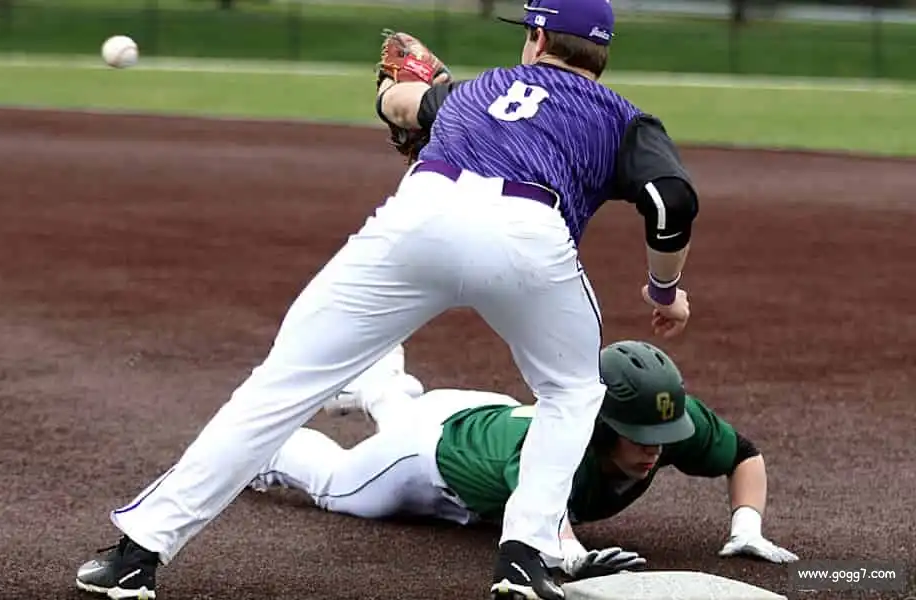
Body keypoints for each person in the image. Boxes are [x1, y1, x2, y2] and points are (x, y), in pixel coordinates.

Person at [74, 0, 701, 597]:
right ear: (600, 55)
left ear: (536, 38)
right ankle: (524, 556)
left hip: (418, 219)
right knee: (571, 392)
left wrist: (391, 97)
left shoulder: (475, 91)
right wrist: (663, 287)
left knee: (283, 385)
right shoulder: (623, 117)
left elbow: (399, 102)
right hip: (528, 236)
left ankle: (134, 556)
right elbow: (671, 201)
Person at [248, 341, 798, 582]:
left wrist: (746, 527)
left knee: (406, 422)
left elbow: (744, 456)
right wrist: (575, 560)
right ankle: (259, 444)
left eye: (663, 431)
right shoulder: (554, 451)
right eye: (638, 435)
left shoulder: (667, 420)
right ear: (602, 426)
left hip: (478, 414)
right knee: (337, 485)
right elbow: (546, 528)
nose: (655, 448)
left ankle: (381, 386)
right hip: (425, 456)